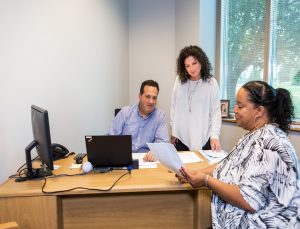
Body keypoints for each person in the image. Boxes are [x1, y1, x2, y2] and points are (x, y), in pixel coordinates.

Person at [176, 81, 300, 228]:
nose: (234, 110)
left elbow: (248, 200)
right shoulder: (252, 135)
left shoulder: (270, 144)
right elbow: (227, 165)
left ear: (259, 111)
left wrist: (206, 181)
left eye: (240, 106)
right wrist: (195, 172)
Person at [170, 45, 221, 151]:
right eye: (187, 66)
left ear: (201, 62)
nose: (191, 69)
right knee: (182, 167)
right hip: (181, 138)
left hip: (204, 137)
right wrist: (173, 130)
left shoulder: (211, 83)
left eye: (194, 63)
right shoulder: (179, 81)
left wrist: (214, 136)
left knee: (202, 167)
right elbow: (173, 106)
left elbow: (215, 112)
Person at [108, 80, 168, 161]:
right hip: (124, 158)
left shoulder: (160, 116)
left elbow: (162, 142)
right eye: (148, 96)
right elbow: (111, 139)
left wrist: (155, 151)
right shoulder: (125, 113)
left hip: (147, 160)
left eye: (154, 98)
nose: (151, 101)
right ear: (140, 96)